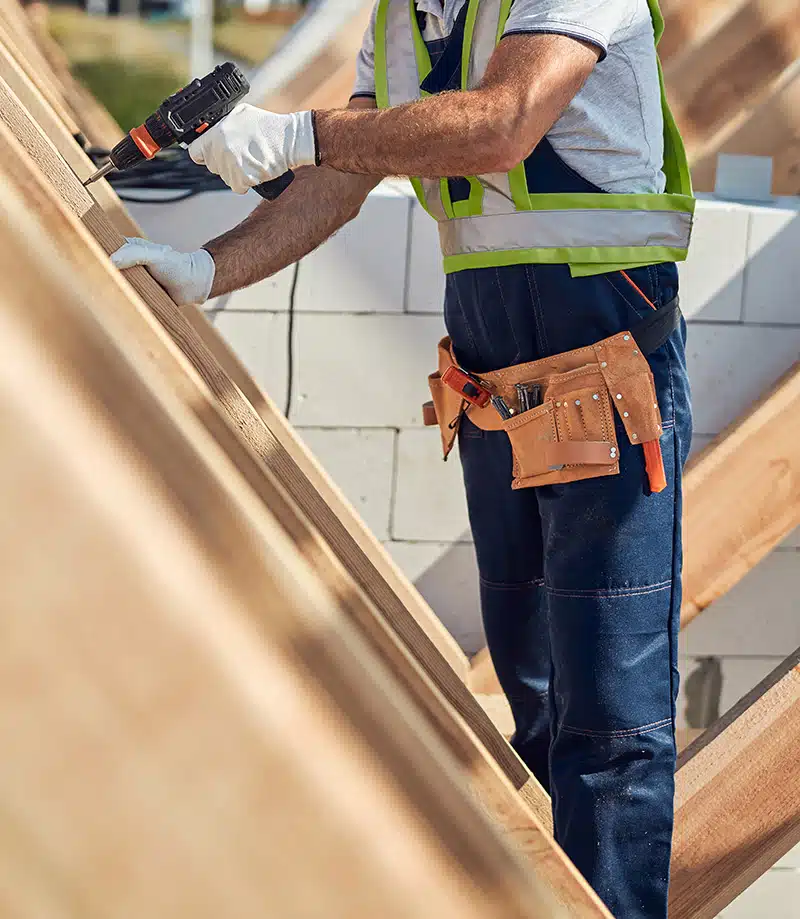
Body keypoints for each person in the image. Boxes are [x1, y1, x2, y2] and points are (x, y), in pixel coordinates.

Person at [112, 2, 694, 915]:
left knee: (612, 719)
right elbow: (347, 173)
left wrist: (298, 133)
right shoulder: (407, 17)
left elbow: (503, 122)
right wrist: (210, 267)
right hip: (502, 390)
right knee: (536, 692)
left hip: (606, 366)